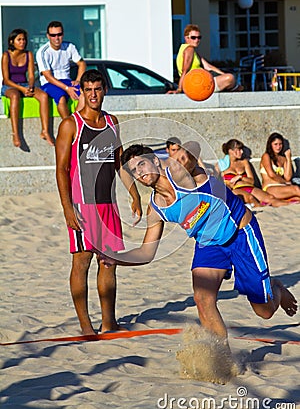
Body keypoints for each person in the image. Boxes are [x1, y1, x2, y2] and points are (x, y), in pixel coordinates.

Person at [101, 142, 297, 342]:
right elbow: (146, 252)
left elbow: (194, 146)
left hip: (240, 233)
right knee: (203, 300)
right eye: (134, 171)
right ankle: (222, 360)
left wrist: (183, 158)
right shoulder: (156, 208)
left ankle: (276, 288)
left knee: (264, 312)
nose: (139, 172)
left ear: (154, 161)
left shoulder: (181, 175)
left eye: (141, 164)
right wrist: (116, 258)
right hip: (209, 245)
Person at [55, 69, 142, 335]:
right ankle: (85, 324)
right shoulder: (71, 125)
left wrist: (134, 193)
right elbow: (61, 170)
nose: (93, 94)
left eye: (98, 89)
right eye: (88, 89)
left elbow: (119, 163)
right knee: (82, 263)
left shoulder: (112, 122)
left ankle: (108, 322)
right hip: (82, 205)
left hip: (108, 205)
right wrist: (67, 209)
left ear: (105, 90)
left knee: (109, 263)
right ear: (82, 91)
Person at [1, 28, 54, 147]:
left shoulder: (28, 54)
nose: (22, 42)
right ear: (11, 41)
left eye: (24, 39)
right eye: (19, 40)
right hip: (10, 86)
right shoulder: (6, 55)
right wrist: (22, 90)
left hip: (25, 84)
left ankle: (45, 130)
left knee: (43, 96)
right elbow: (6, 79)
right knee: (15, 96)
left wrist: (30, 86)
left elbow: (31, 75)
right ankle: (15, 133)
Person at [173, 24, 243, 95]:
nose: (197, 40)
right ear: (186, 38)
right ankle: (234, 87)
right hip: (197, 84)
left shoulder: (191, 50)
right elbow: (184, 71)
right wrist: (179, 89)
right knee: (230, 78)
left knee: (229, 77)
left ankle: (234, 86)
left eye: (199, 37)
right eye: (193, 37)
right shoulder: (189, 49)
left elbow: (208, 67)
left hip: (201, 81)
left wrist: (222, 74)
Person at [220, 139, 292, 207]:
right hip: (236, 189)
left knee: (271, 198)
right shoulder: (222, 165)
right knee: (251, 198)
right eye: (238, 150)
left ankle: (292, 205)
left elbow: (251, 181)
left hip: (249, 187)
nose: (241, 152)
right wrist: (229, 184)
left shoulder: (244, 162)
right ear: (230, 151)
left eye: (241, 149)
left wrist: (240, 177)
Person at [36, 21, 86, 119]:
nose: (56, 38)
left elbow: (82, 63)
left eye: (59, 34)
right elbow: (48, 77)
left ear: (63, 34)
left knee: (84, 94)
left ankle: (76, 121)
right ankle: (68, 124)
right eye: (53, 35)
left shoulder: (69, 46)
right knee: (62, 98)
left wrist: (78, 80)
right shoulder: (43, 52)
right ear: (48, 36)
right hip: (49, 83)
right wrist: (67, 89)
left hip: (67, 81)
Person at [260, 133, 300, 201]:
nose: (278, 147)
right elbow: (271, 174)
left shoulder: (283, 159)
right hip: (269, 188)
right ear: (270, 145)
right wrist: (285, 182)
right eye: (275, 144)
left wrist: (288, 158)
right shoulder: (266, 156)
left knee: (297, 198)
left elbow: (288, 177)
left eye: (280, 144)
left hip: (282, 187)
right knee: (296, 189)